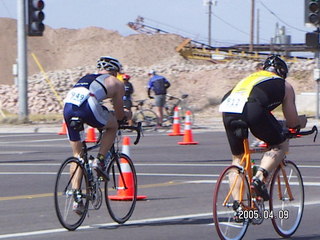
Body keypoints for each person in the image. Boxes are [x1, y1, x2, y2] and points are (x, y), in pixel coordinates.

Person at [219, 55, 307, 201]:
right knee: (280, 145)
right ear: (282, 73)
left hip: (228, 107)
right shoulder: (284, 85)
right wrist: (299, 123)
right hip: (252, 107)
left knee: (238, 158)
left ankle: (239, 207)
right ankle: (259, 178)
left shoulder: (253, 78)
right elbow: (292, 122)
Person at [63, 56, 131, 213]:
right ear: (115, 72)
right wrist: (127, 115)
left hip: (68, 107)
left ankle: (77, 198)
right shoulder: (116, 82)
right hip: (89, 105)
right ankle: (100, 161)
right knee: (112, 126)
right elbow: (119, 113)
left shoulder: (86, 78)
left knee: (78, 154)